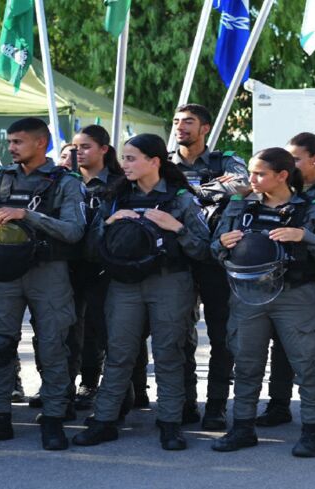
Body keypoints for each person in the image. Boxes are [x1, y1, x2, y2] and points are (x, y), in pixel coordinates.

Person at [0, 117, 85, 450]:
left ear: (41, 143)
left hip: (48, 272)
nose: (11, 149)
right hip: (4, 273)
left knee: (53, 346)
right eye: (9, 142)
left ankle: (53, 419)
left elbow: (74, 230)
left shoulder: (65, 181)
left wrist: (27, 215)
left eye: (18, 142)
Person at [72, 134, 210, 450]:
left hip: (170, 282)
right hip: (124, 285)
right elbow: (91, 249)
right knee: (119, 353)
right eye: (124, 158)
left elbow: (205, 249)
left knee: (169, 354)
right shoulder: (116, 197)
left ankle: (170, 424)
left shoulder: (181, 199)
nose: (125, 165)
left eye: (132, 158)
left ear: (155, 161)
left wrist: (176, 227)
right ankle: (104, 420)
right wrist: (110, 221)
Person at [210, 147, 315, 457]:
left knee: (308, 363)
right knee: (246, 362)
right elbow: (214, 247)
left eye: (260, 174)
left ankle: (312, 431)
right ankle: (242, 428)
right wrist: (222, 244)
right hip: (248, 294)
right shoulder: (239, 207)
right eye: (251, 172)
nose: (251, 179)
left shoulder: (312, 210)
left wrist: (304, 237)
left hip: (295, 295)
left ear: (282, 176)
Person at [255, 133, 315, 431]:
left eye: (297, 158)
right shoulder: (279, 189)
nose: (292, 163)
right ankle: (278, 404)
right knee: (283, 344)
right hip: (288, 280)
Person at [170, 103, 249, 428]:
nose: (180, 127)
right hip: (178, 257)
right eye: (176, 122)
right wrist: (213, 190)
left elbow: (243, 185)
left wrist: (189, 193)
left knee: (221, 336)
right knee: (178, 335)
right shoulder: (164, 163)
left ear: (204, 128)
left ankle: (216, 406)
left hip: (217, 260)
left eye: (188, 122)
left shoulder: (224, 160)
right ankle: (186, 402)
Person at [67, 125, 127, 413]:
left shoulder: (120, 182)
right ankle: (60, 385)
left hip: (104, 265)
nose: (79, 152)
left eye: (86, 146)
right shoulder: (64, 180)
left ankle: (91, 383)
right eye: (75, 147)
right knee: (63, 327)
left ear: (104, 149)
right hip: (66, 262)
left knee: (97, 328)